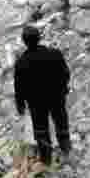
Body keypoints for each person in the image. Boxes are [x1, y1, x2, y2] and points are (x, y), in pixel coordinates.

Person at [12, 26, 72, 166]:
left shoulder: (21, 63)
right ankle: (66, 148)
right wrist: (63, 88)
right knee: (61, 121)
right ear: (39, 37)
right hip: (56, 96)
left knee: (41, 129)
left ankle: (46, 158)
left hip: (36, 103)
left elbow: (19, 87)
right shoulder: (54, 53)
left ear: (24, 42)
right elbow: (65, 74)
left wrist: (20, 104)